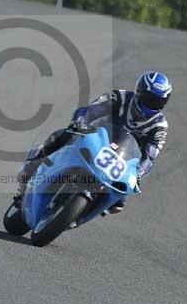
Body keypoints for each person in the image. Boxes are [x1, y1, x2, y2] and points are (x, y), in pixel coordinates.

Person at [15, 71, 171, 214]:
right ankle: (34, 167)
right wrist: (80, 121)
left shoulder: (159, 126)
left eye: (158, 102)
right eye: (150, 100)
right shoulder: (119, 97)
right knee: (60, 135)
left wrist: (139, 173)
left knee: (120, 201)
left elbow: (150, 156)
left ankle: (82, 212)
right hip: (94, 139)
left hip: (120, 161)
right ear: (139, 93)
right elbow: (91, 110)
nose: (152, 106)